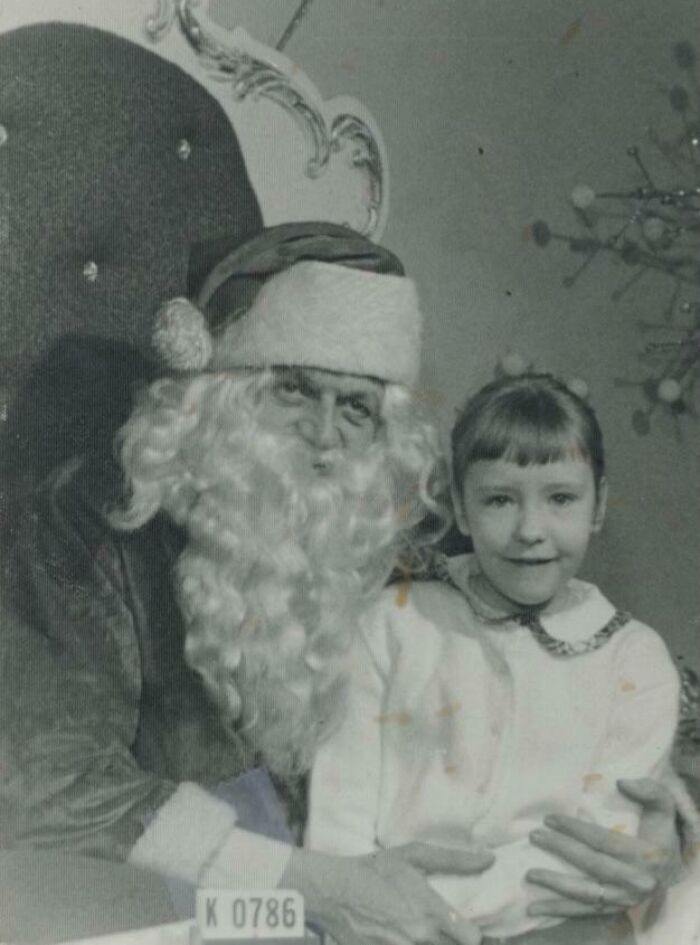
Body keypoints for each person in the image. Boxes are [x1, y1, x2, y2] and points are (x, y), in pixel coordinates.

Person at [0, 231, 684, 945]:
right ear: (221, 390)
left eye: (355, 406)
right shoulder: (91, 518)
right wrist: (314, 888)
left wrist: (655, 831)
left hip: (417, 891)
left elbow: (558, 681)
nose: (323, 436)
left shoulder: (395, 530)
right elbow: (47, 781)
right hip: (187, 903)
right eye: (293, 389)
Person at [306, 373, 697, 943]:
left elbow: (599, 853)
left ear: (599, 505)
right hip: (383, 925)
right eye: (499, 500)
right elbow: (341, 806)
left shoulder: (633, 660)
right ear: (461, 510)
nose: (530, 530)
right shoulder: (392, 622)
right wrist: (359, 910)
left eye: (561, 498)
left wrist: (442, 912)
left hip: (560, 925)